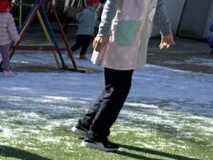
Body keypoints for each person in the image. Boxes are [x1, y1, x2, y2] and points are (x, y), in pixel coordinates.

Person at [73, 0, 174, 151]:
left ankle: (86, 124)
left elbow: (158, 5)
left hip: (129, 40)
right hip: (120, 40)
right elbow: (111, 4)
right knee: (118, 89)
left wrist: (166, 32)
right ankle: (96, 136)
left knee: (114, 87)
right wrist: (103, 32)